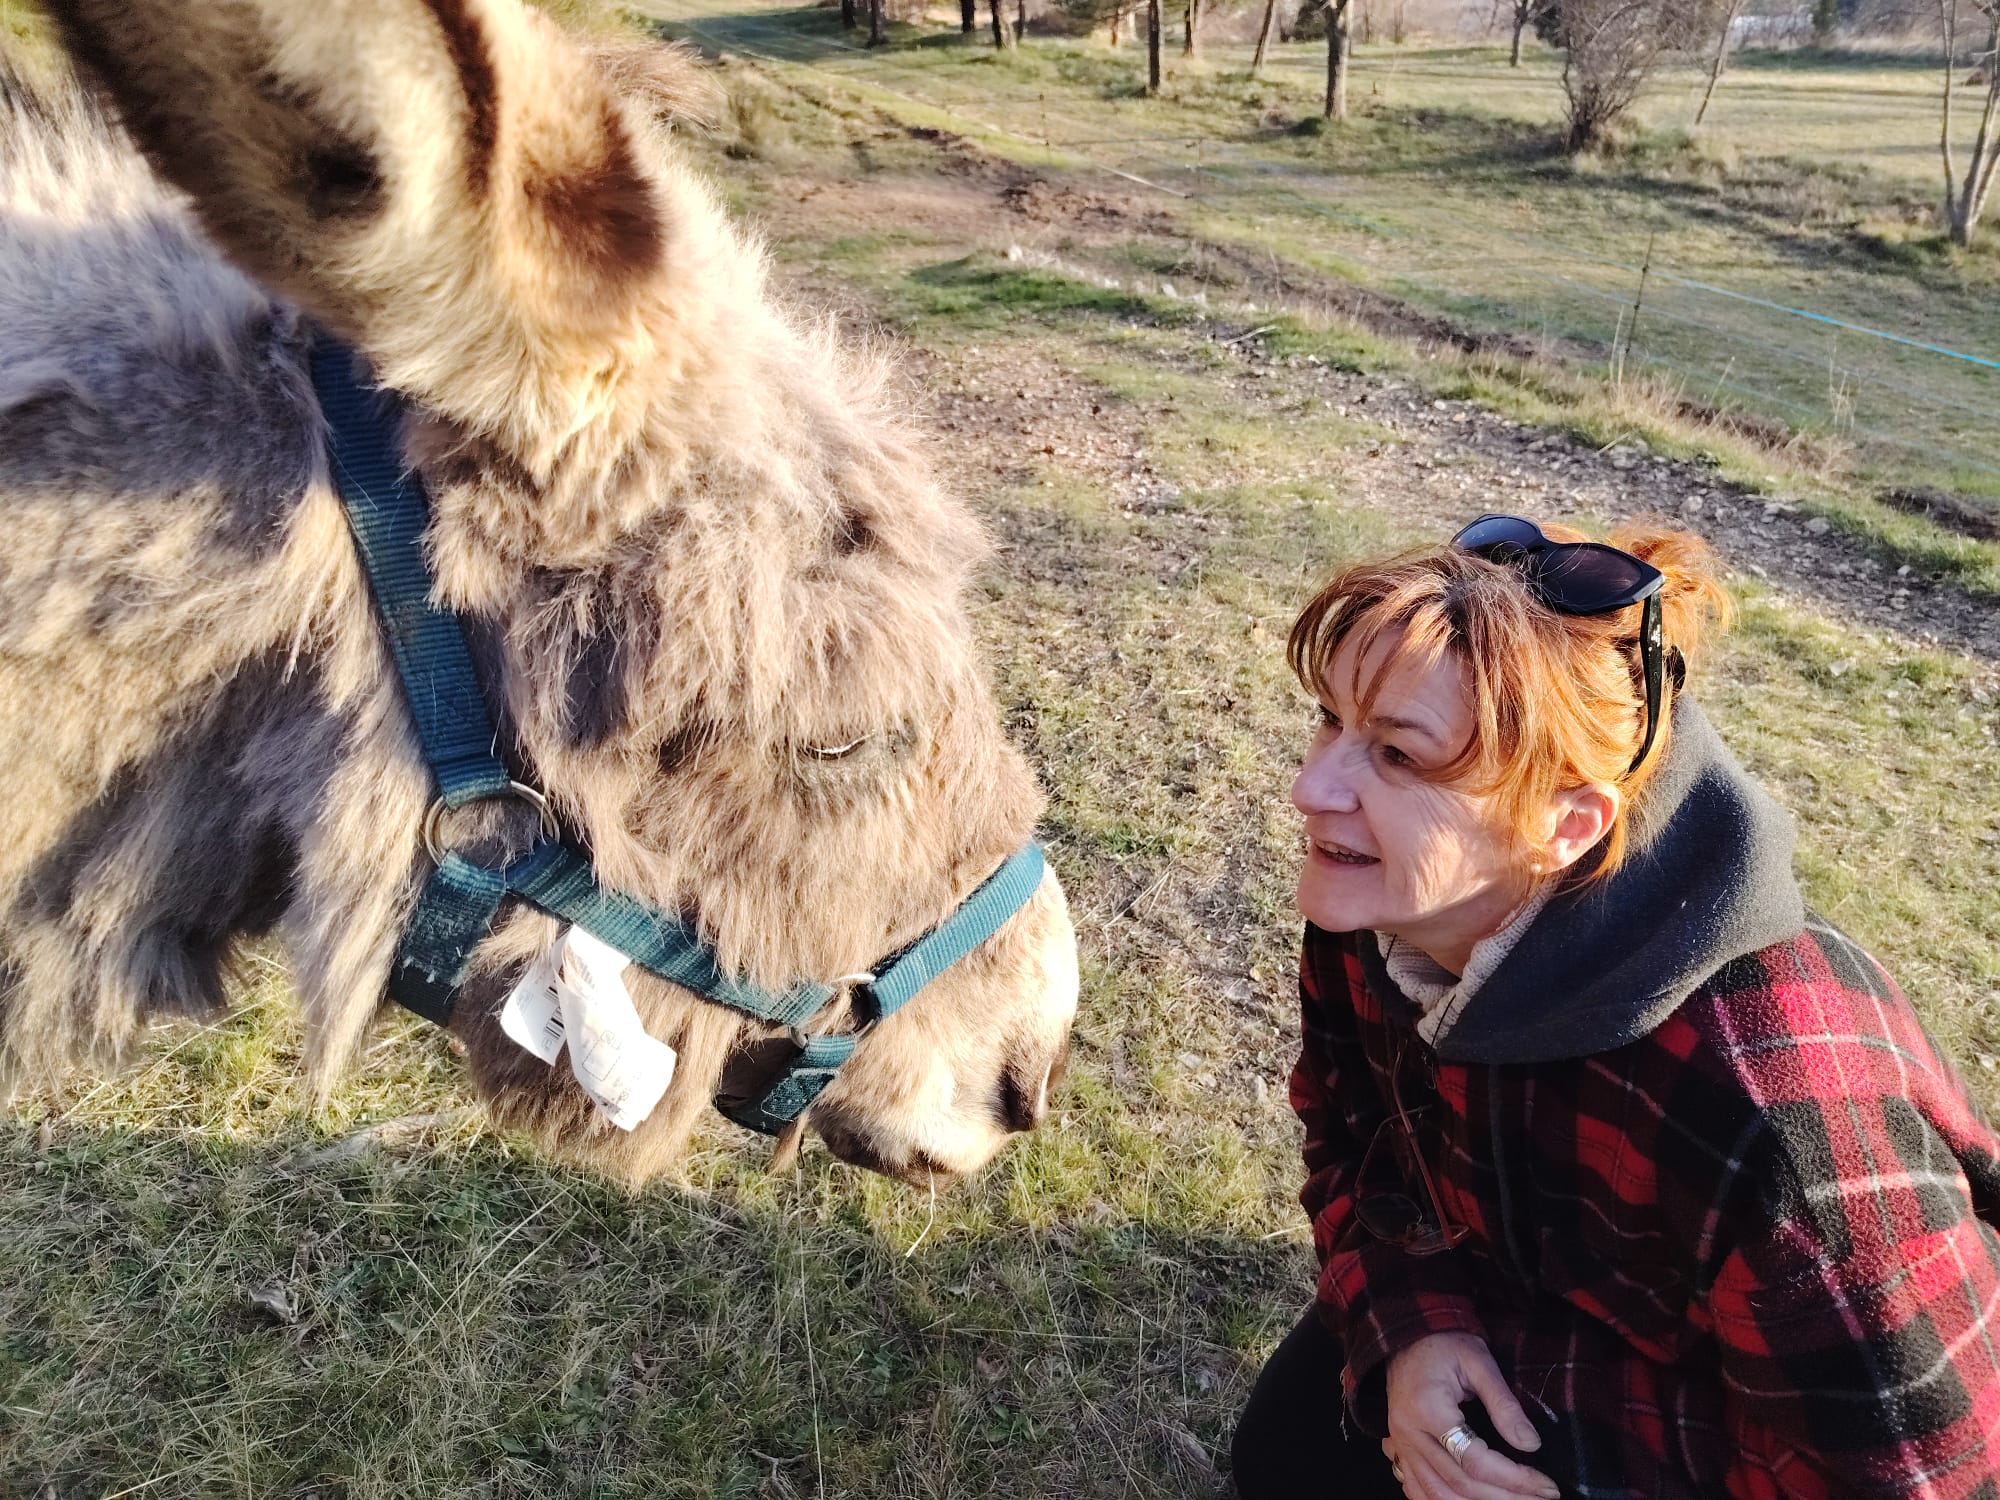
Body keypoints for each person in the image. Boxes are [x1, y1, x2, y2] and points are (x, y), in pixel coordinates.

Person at [1230, 514, 2000, 1500]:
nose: (1309, 787)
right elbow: (1350, 1136)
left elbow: (1917, 1471)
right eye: (1329, 721)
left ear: (1565, 823)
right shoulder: (1379, 908)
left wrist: (1584, 1459)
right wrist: (1417, 1326)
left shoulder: (1775, 1106)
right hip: (1527, 1292)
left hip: (1746, 1420)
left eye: (1397, 756)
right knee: (1289, 1463)